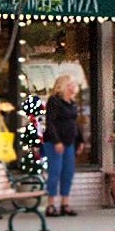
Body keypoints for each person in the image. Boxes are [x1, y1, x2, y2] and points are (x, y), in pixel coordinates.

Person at [42, 74, 83, 217]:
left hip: (69, 142)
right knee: (55, 172)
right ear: (65, 85)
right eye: (71, 83)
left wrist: (80, 141)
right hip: (55, 143)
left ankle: (65, 204)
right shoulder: (54, 101)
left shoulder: (71, 102)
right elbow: (50, 123)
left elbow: (74, 124)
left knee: (68, 173)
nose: (74, 85)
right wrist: (56, 141)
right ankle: (50, 205)